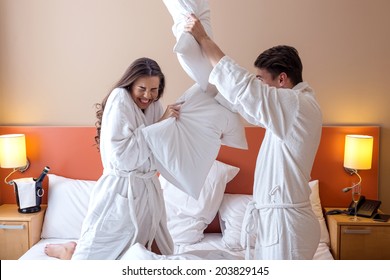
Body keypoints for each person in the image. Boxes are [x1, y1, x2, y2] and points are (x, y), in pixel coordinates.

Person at [185, 14, 322, 260]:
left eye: (261, 80)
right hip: (281, 224)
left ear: (282, 79)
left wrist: (204, 38)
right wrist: (209, 82)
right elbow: (246, 104)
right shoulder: (288, 111)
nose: (258, 85)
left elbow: (245, 88)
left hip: (287, 227)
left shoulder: (298, 106)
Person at [45, 57, 181, 260]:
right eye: (142, 88)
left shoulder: (155, 106)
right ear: (131, 83)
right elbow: (122, 156)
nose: (148, 96)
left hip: (147, 189)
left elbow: (160, 146)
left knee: (154, 252)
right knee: (93, 255)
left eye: (154, 90)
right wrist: (162, 123)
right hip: (120, 188)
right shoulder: (120, 99)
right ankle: (70, 251)